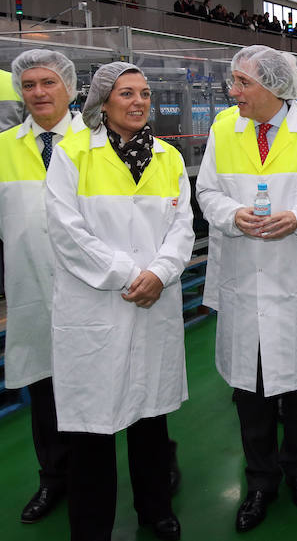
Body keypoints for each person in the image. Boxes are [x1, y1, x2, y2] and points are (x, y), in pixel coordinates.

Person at [196, 45, 297, 533]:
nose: (233, 92)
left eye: (242, 83)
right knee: (251, 391)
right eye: (234, 82)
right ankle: (259, 481)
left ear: (273, 86)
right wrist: (231, 215)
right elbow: (207, 192)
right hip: (245, 279)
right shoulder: (225, 128)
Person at [46, 61, 194, 541]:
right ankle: (92, 527)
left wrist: (161, 272)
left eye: (145, 94)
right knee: (94, 428)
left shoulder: (168, 158)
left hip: (153, 301)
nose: (139, 102)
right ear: (104, 102)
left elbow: (182, 227)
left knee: (151, 420)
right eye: (127, 93)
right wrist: (134, 275)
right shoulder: (72, 154)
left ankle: (155, 510)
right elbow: (68, 233)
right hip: (98, 305)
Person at [0, 50, 84, 525]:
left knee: (121, 382)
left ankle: (155, 466)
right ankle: (54, 478)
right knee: (45, 388)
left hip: (94, 289)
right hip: (32, 287)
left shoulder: (97, 142)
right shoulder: (4, 147)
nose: (38, 92)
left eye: (48, 82)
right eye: (28, 84)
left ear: (68, 87)